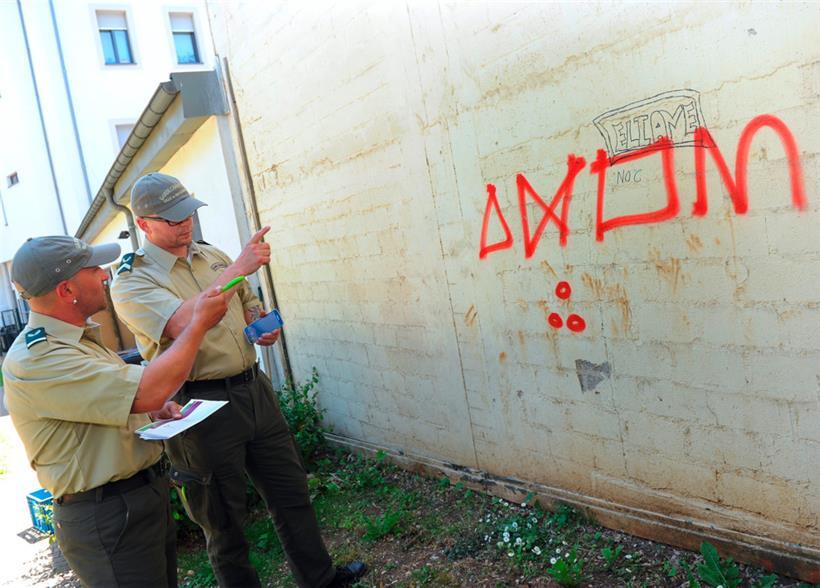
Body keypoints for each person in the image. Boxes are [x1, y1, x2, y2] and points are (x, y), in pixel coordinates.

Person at [110, 172, 366, 588]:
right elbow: (181, 322)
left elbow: (248, 302)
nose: (185, 223)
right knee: (224, 523)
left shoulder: (211, 255)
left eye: (187, 213)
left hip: (253, 388)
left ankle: (321, 580)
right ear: (143, 224)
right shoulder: (133, 279)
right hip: (198, 405)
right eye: (173, 219)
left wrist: (260, 323)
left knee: (292, 494)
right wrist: (238, 269)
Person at [2, 235, 230, 587]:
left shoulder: (74, 341)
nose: (105, 275)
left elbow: (112, 403)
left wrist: (150, 412)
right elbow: (148, 390)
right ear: (66, 290)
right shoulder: (40, 358)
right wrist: (197, 324)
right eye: (93, 269)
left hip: (135, 499)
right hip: (108, 515)